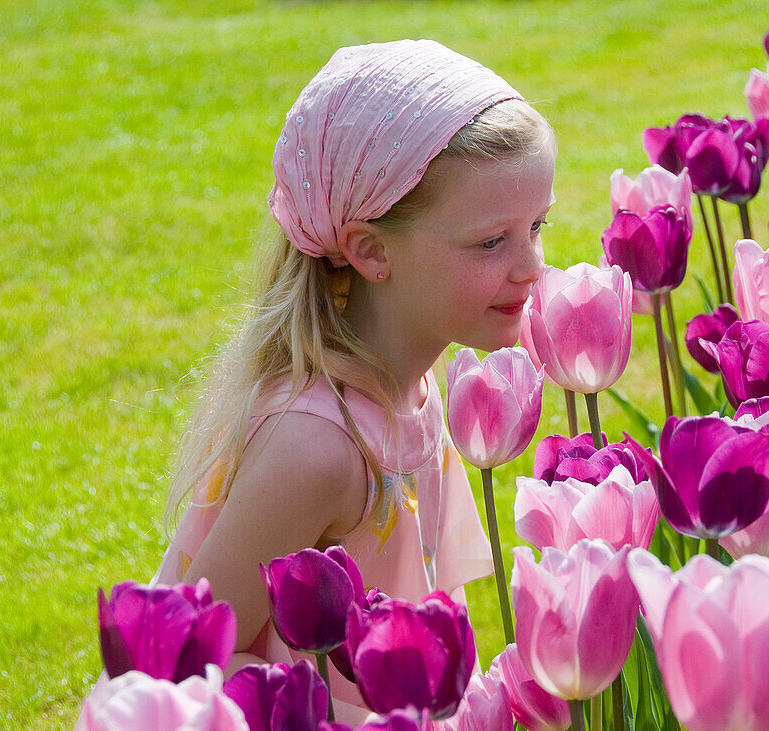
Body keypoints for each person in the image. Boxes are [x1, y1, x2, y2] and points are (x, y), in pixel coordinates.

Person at [157, 39, 556, 721]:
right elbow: (179, 663)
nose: (532, 267)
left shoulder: (416, 391)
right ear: (371, 250)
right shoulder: (318, 450)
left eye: (537, 227)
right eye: (493, 241)